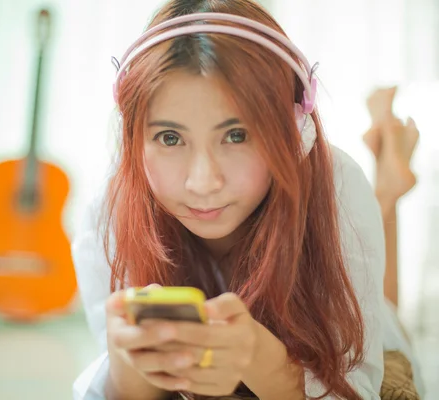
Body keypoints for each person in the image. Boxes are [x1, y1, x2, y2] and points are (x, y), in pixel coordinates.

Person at [71, 1, 424, 398]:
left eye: (236, 135)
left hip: (371, 328)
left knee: (385, 314)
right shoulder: (111, 208)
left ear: (295, 131)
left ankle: (387, 188)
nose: (203, 183)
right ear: (134, 136)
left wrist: (259, 358)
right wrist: (129, 370)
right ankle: (389, 181)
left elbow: (356, 384)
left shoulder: (336, 183)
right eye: (170, 138)